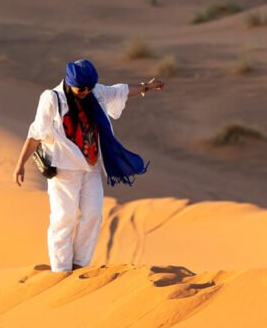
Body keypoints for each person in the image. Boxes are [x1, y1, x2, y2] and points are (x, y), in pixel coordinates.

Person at [13, 58, 165, 273]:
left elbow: (119, 91)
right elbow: (36, 133)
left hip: (91, 167)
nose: (85, 91)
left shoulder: (95, 92)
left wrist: (146, 87)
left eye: (89, 87)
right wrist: (20, 164)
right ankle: (61, 270)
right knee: (63, 218)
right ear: (70, 81)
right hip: (64, 170)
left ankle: (80, 265)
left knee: (93, 215)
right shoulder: (52, 98)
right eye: (81, 88)